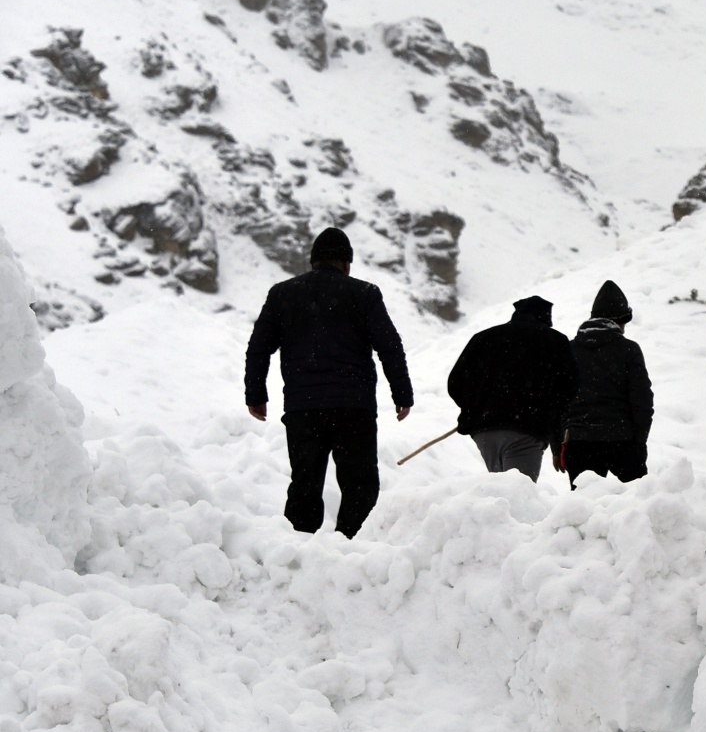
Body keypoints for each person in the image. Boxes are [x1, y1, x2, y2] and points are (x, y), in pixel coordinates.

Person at [244, 227, 413, 538]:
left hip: (303, 408)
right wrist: (401, 393)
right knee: (359, 484)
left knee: (305, 484)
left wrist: (255, 393)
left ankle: (300, 549)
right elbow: (389, 346)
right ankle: (353, 547)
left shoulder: (282, 294)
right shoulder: (364, 294)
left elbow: (258, 347)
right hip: (354, 407)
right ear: (346, 263)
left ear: (313, 262)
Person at [446, 296, 579, 482]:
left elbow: (455, 382)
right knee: (517, 496)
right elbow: (567, 392)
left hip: (485, 432)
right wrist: (555, 439)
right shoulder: (554, 341)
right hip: (526, 429)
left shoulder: (483, 338)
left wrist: (478, 409)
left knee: (502, 492)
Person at [562, 280, 653, 487]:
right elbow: (642, 402)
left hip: (579, 441)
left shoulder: (569, 350)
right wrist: (639, 442)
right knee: (635, 508)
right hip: (622, 441)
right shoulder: (629, 350)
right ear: (620, 320)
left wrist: (559, 447)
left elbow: (557, 402)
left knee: (584, 512)